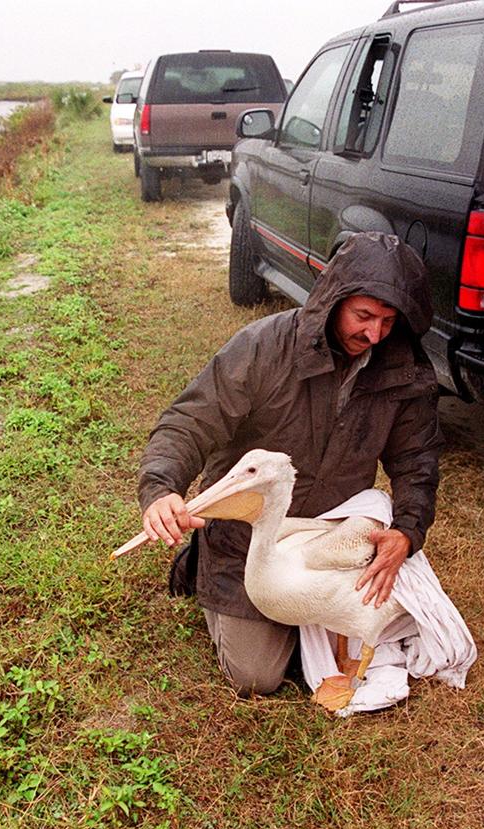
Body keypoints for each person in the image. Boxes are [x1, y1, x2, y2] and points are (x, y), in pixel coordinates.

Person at [137, 232, 444, 696]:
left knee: (392, 633)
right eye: (363, 316)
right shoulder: (264, 347)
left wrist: (407, 530)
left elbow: (417, 460)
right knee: (258, 675)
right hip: (249, 540)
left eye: (387, 320)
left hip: (325, 540)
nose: (375, 334)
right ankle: (204, 565)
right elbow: (191, 421)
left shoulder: (402, 368)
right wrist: (162, 488)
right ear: (333, 299)